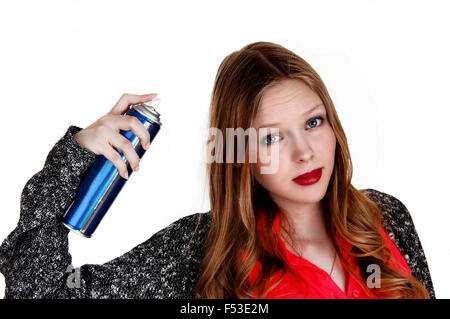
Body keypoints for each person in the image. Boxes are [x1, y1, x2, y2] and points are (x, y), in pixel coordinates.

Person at [0, 41, 434, 299]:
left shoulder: (385, 220)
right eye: (271, 137)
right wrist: (73, 159)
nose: (305, 153)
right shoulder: (201, 254)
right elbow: (41, 293)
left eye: (313, 123)